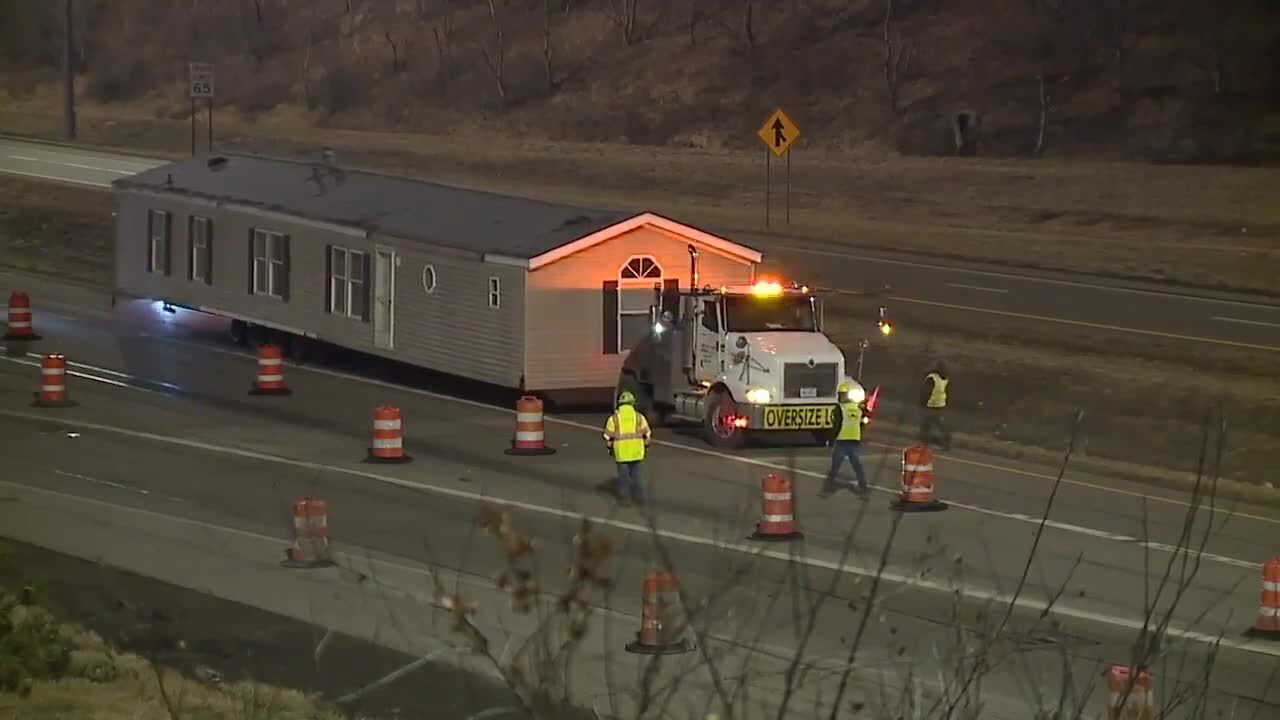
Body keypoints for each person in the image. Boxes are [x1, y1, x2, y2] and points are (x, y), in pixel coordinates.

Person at [820, 381, 869, 498]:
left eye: (841, 394)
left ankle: (828, 489)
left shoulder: (839, 408)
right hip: (854, 441)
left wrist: (830, 441)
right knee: (857, 466)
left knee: (835, 466)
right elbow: (862, 423)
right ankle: (863, 488)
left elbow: (836, 426)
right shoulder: (858, 408)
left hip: (842, 441)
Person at [603, 390, 652, 507]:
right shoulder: (639, 417)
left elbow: (607, 436)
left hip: (621, 454)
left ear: (620, 403)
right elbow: (648, 433)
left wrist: (610, 448)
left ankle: (625, 499)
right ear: (632, 403)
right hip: (636, 453)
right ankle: (639, 498)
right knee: (636, 476)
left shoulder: (614, 418)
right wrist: (646, 445)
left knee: (624, 477)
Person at [920, 360, 952, 450]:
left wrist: (922, 402)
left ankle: (925, 443)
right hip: (941, 404)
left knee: (926, 425)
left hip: (931, 404)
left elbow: (927, 391)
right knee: (939, 425)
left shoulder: (932, 378)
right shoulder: (945, 378)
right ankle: (945, 442)